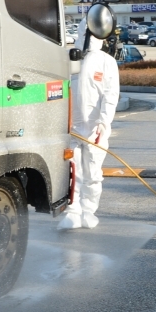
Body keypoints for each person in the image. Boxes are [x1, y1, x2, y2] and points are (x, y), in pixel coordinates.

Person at [58, 18, 120, 230]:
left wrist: (103, 122)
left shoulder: (106, 61)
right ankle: (73, 211)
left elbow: (111, 95)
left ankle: (88, 211)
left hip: (95, 131)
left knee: (93, 173)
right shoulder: (70, 58)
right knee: (72, 172)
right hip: (72, 130)